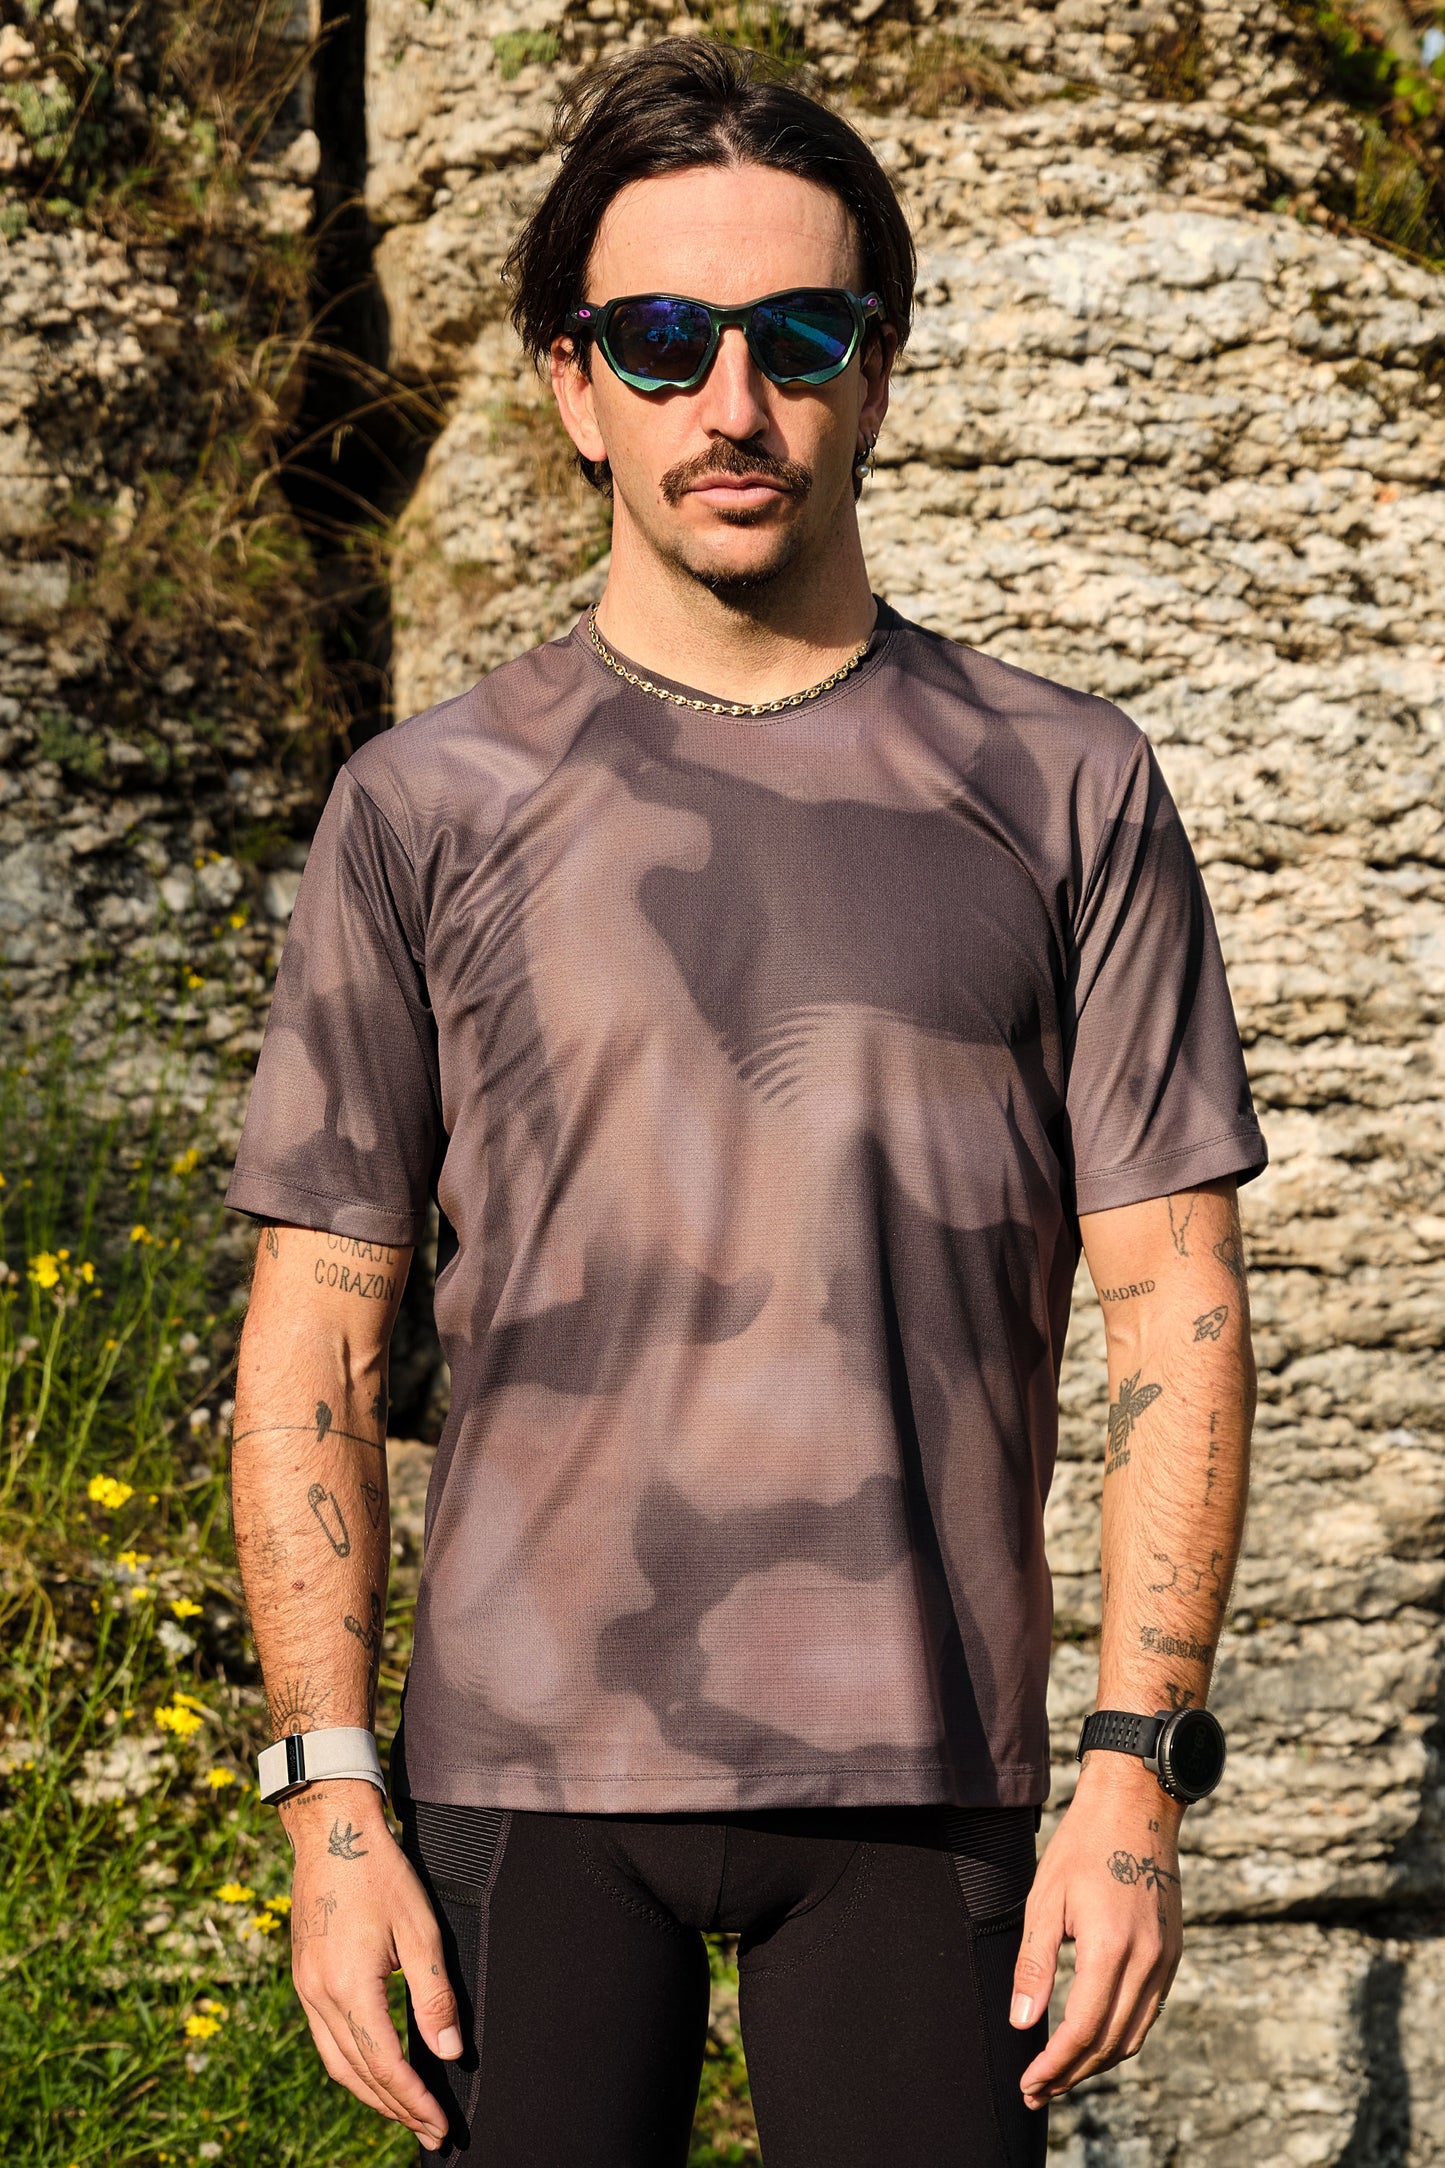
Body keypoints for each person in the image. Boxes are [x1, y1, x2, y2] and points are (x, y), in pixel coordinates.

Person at [226, 37, 1265, 2168]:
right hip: (518, 1775)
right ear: (569, 378)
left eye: (799, 337)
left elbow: (1178, 1301)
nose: (733, 403)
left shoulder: (1064, 785)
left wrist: (1136, 1773)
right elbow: (317, 1329)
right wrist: (330, 1793)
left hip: (924, 1771)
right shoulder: (428, 806)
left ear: (875, 373)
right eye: (665, 338)